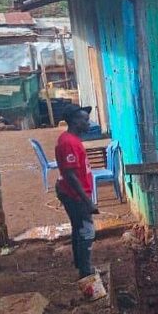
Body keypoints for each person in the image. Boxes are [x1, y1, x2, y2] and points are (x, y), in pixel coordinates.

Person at [54, 105, 97, 279]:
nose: (88, 123)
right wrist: (87, 201)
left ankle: (81, 265)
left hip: (74, 193)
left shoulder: (71, 139)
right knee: (87, 231)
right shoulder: (69, 143)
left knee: (79, 228)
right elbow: (71, 175)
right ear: (74, 121)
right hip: (74, 195)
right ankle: (86, 272)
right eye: (85, 120)